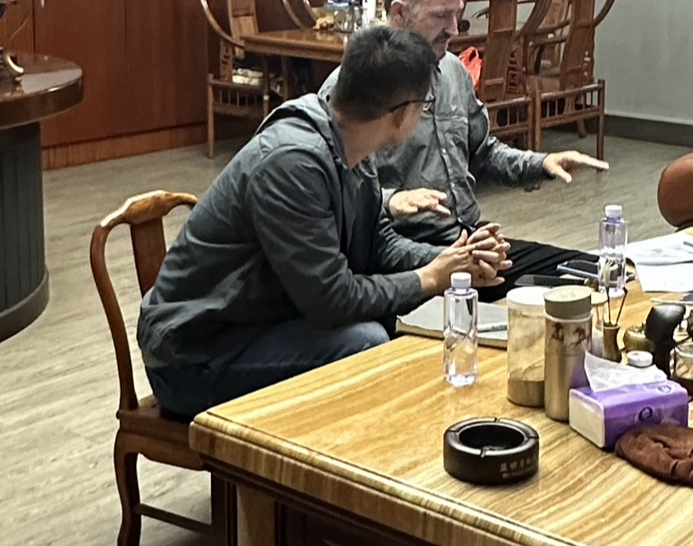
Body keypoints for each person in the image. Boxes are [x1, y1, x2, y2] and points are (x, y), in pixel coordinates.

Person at [138, 26, 512, 420]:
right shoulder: (292, 163)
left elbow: (379, 245)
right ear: (402, 114)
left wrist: (454, 260)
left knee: (394, 321)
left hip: (258, 325)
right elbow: (332, 301)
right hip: (194, 356)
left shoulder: (349, 140)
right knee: (366, 341)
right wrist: (430, 278)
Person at [321, 0, 608, 301]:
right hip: (400, 251)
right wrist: (392, 201)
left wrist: (542, 162)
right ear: (399, 13)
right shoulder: (353, 89)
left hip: (468, 238)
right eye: (441, 16)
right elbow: (334, 196)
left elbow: (482, 152)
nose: (454, 29)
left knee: (598, 274)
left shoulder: (453, 71)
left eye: (457, 14)